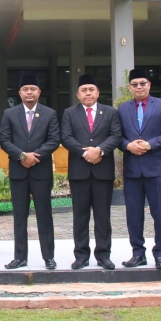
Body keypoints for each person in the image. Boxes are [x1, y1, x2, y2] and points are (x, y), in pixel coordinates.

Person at [118, 68, 161, 270]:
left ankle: (160, 254)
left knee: (160, 214)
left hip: (157, 168)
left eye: (142, 83)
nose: (139, 87)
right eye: (135, 84)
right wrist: (128, 145)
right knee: (133, 214)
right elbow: (116, 136)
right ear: (130, 87)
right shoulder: (123, 109)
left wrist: (149, 144)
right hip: (133, 170)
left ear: (149, 85)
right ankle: (138, 253)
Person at [0, 73, 61, 270]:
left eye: (32, 89)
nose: (29, 92)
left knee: (44, 214)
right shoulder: (9, 114)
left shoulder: (49, 113)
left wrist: (35, 156)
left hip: (40, 171)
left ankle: (49, 257)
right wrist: (21, 156)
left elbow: (54, 139)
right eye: (25, 89)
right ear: (19, 93)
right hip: (18, 172)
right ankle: (20, 257)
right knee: (19, 215)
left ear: (39, 92)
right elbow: (5, 140)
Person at [61, 73, 122, 270]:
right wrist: (85, 153)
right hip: (79, 171)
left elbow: (115, 136)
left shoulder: (110, 112)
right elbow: (66, 137)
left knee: (103, 215)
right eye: (84, 90)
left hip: (102, 171)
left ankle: (104, 255)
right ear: (78, 94)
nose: (88, 93)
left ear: (98, 93)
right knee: (80, 216)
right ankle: (81, 256)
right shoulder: (69, 113)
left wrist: (100, 151)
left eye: (91, 90)